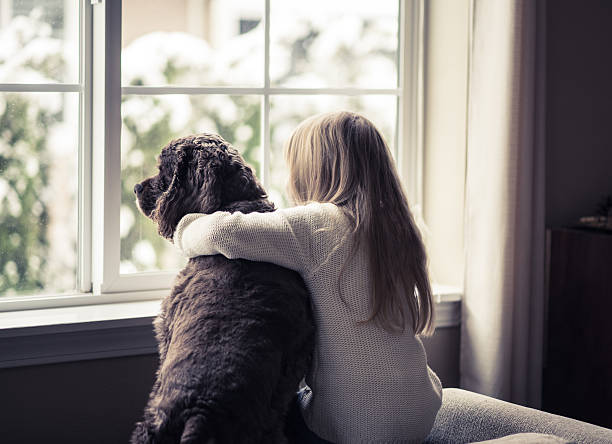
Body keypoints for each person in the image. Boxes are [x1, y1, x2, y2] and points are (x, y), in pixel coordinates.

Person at [173, 111, 443, 443]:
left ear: (314, 172)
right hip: (421, 411)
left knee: (280, 408)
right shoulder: (400, 227)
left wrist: (181, 227)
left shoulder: (319, 224)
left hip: (353, 426)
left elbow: (224, 233)